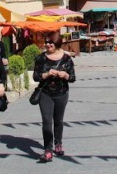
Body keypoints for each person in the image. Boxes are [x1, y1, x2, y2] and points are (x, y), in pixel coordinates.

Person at [33, 31, 76, 162]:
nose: (47, 44)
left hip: (61, 93)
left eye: (50, 42)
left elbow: (73, 77)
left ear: (56, 43)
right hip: (45, 93)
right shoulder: (41, 58)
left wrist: (66, 76)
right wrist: (46, 74)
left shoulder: (66, 59)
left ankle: (58, 144)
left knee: (58, 121)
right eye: (46, 42)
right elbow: (35, 76)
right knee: (46, 121)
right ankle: (48, 149)